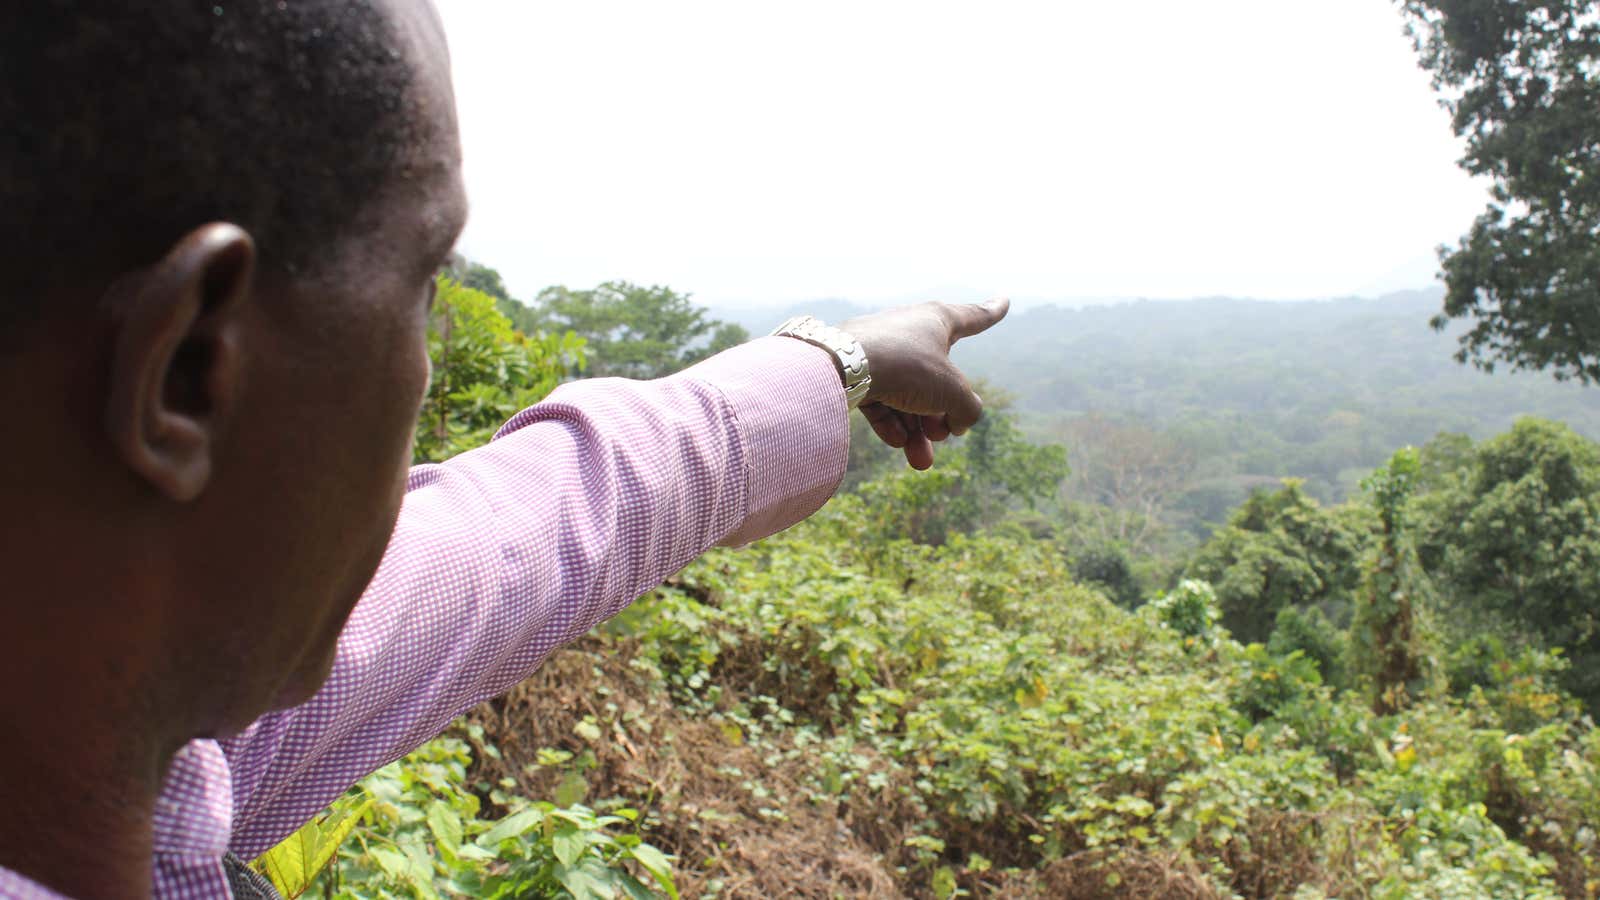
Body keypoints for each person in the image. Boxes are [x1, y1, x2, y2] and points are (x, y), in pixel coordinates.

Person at [0, 2, 1007, 898]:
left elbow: (518, 537)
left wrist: (834, 361)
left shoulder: (132, 714)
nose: (425, 360)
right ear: (189, 371)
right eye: (423, 282)